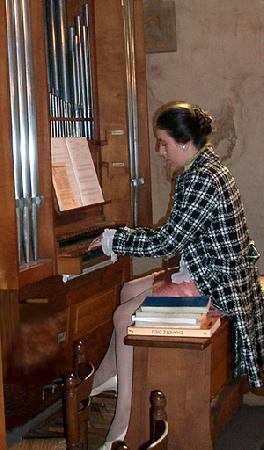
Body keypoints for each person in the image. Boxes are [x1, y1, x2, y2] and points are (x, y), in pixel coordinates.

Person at [88, 101, 264, 450]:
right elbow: (179, 237)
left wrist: (115, 238)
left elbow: (169, 239)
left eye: (164, 143)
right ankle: (117, 377)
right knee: (128, 289)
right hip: (212, 268)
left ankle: (125, 419)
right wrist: (119, 236)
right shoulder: (207, 166)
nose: (160, 151)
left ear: (185, 144)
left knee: (124, 316)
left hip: (219, 284)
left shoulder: (200, 179)